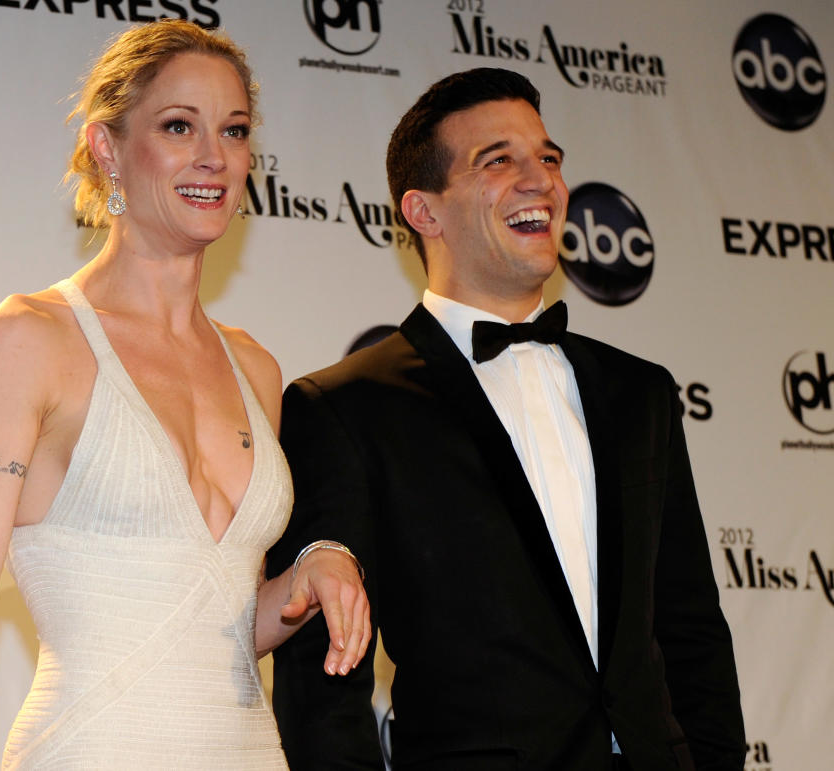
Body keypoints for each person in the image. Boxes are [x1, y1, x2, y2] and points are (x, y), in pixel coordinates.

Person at [267, 67, 745, 770]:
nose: (541, 180)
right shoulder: (342, 408)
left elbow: (690, 625)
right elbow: (322, 681)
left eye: (548, 159)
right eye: (500, 161)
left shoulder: (640, 393)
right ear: (423, 211)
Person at [0, 20, 369, 770]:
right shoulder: (28, 339)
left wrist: (311, 575)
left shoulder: (255, 366)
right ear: (107, 149)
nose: (213, 158)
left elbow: (218, 623)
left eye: (233, 130)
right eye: (177, 126)